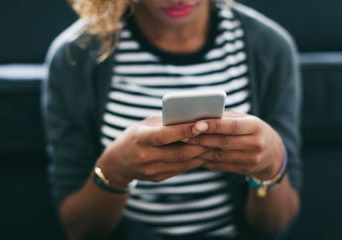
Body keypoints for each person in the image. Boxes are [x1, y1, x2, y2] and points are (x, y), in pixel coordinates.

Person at [42, 0, 301, 239]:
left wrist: (272, 165)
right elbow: (79, 229)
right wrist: (114, 172)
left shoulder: (270, 48)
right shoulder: (75, 56)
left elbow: (275, 225)